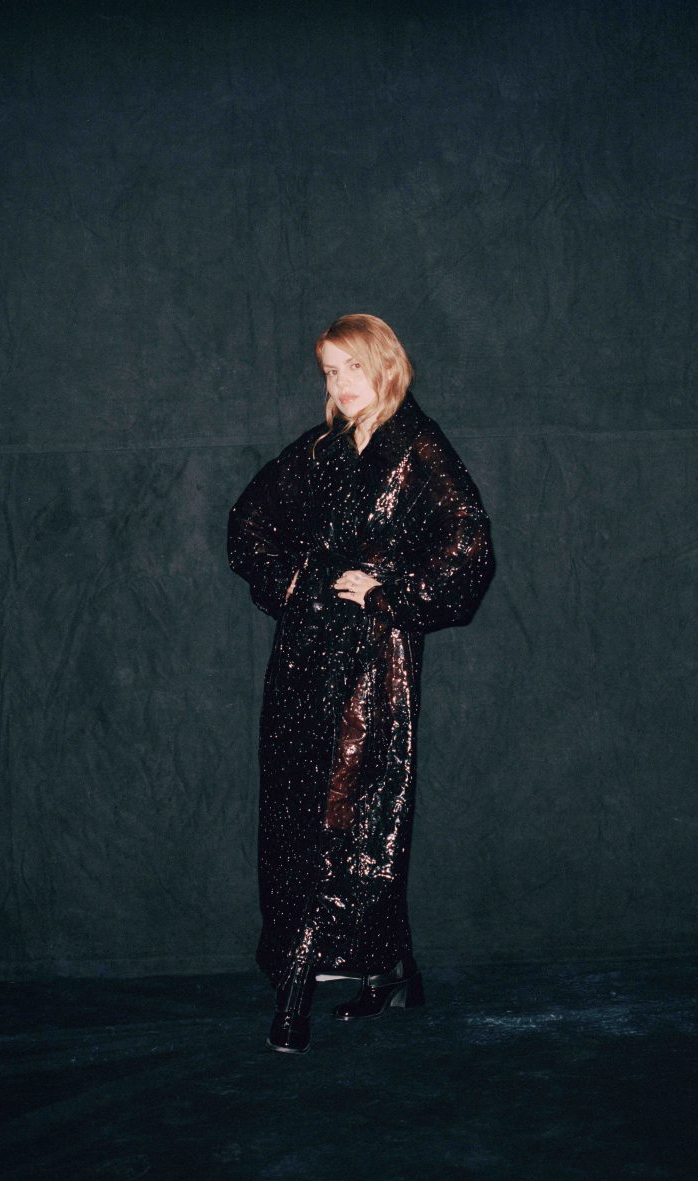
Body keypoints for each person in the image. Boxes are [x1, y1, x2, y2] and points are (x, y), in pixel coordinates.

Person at [227, 313, 494, 1054]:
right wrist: (298, 583)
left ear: (385, 365)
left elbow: (470, 548)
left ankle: (297, 989)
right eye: (330, 372)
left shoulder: (421, 448)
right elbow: (248, 522)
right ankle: (391, 969)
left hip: (371, 667)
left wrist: (389, 594)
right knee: (294, 809)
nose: (341, 384)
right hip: (302, 659)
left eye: (352, 367)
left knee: (345, 814)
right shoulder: (321, 450)